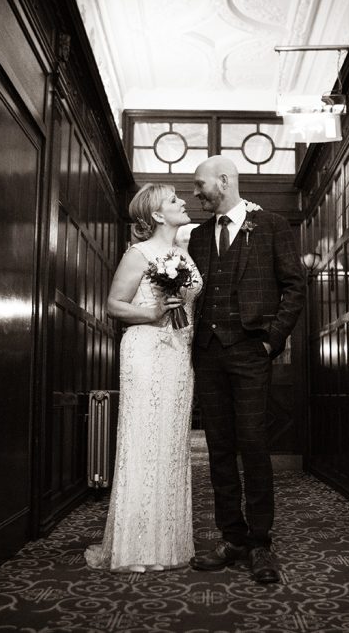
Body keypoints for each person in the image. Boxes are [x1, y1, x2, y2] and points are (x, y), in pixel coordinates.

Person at [187, 155, 306, 584]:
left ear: (224, 181)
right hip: (209, 354)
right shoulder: (198, 237)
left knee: (254, 444)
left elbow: (295, 285)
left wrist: (271, 339)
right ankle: (232, 538)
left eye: (200, 185)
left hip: (252, 351)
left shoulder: (272, 225)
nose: (196, 193)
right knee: (218, 447)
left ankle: (260, 543)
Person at [84, 183, 202, 572]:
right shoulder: (139, 253)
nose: (182, 201)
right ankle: (134, 546)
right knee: (144, 439)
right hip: (147, 350)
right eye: (173, 200)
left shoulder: (184, 252)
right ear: (155, 215)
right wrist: (152, 314)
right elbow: (114, 305)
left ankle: (169, 542)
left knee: (170, 442)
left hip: (179, 353)